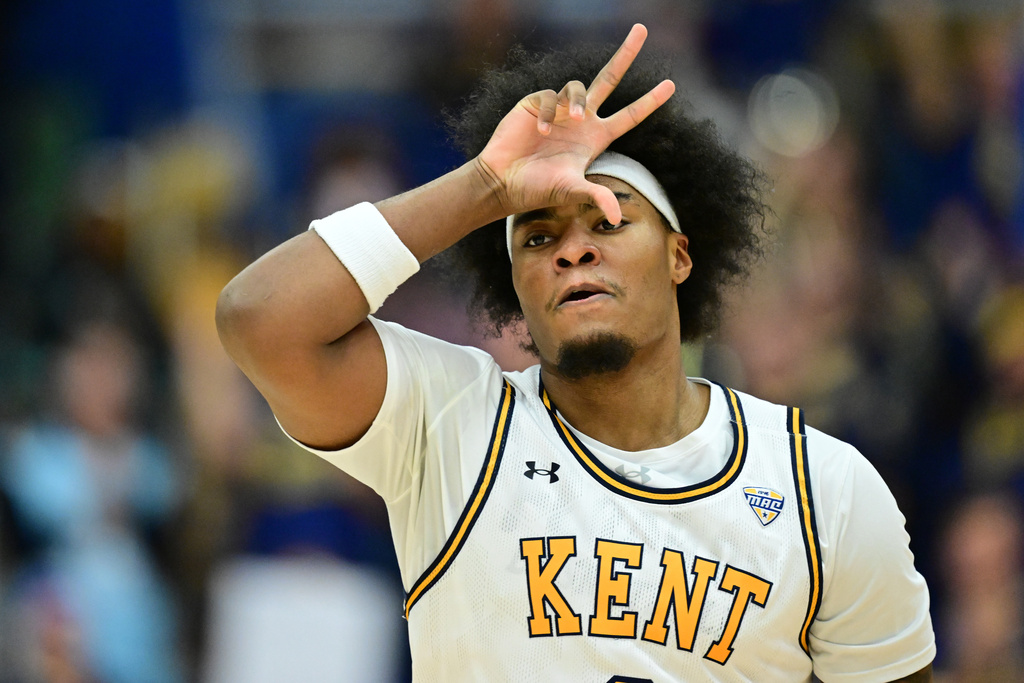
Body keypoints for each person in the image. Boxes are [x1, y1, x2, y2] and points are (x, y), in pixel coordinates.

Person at [217, 24, 935, 682]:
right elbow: (260, 320)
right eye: (537, 235)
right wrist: (487, 187)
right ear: (517, 290)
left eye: (609, 216)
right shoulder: (449, 421)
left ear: (680, 255)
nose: (575, 248)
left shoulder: (826, 490)